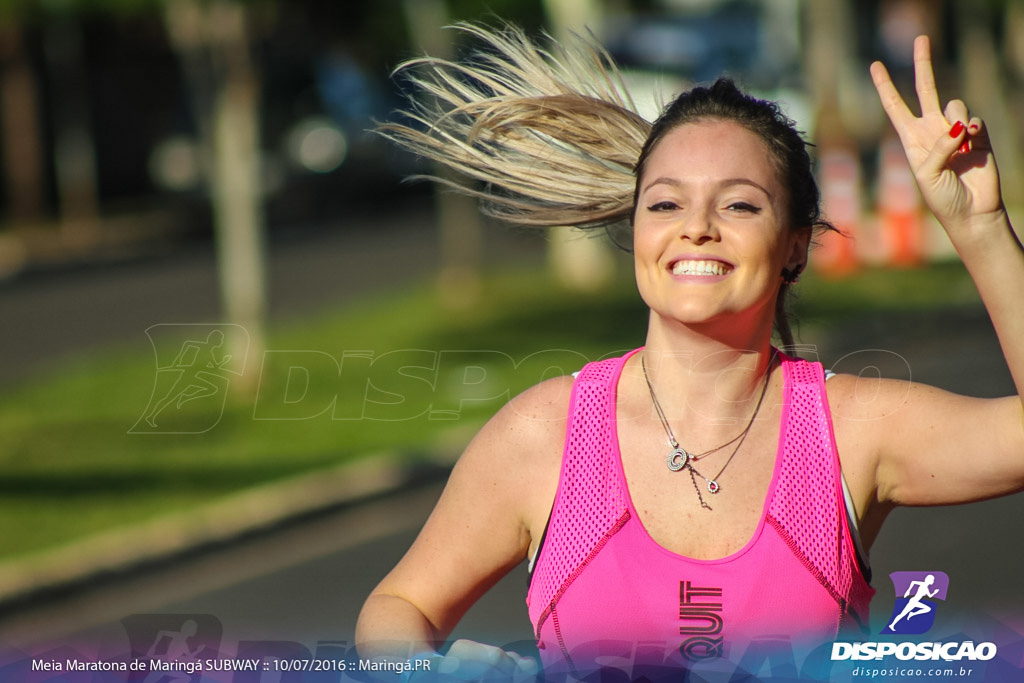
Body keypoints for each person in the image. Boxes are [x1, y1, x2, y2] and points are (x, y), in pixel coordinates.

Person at [355, 24, 1024, 681]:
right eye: (666, 202)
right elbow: (396, 610)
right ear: (638, 226)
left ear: (795, 243)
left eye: (738, 205)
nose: (696, 228)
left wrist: (981, 227)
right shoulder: (545, 435)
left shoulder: (851, 429)